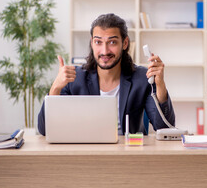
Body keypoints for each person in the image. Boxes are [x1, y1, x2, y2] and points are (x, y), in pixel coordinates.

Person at [38, 13, 175, 136]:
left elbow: (165, 128)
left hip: (128, 154)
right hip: (86, 153)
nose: (105, 51)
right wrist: (55, 88)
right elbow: (45, 130)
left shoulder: (142, 78)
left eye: (112, 42)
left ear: (125, 43)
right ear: (92, 43)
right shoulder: (74, 78)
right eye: (98, 42)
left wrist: (160, 86)